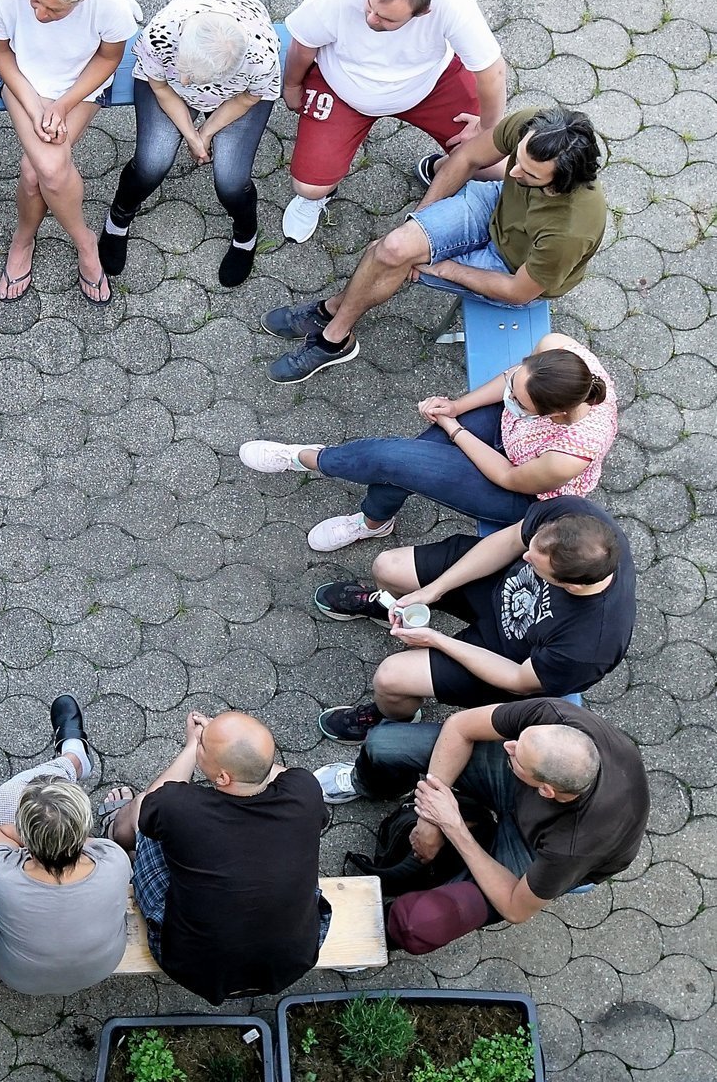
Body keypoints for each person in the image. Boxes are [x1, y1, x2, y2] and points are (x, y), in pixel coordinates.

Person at [260, 105, 605, 383]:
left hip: (510, 268)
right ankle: (335, 324)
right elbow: (467, 158)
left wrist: (449, 268)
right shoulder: (535, 128)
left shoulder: (569, 230)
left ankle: (334, 331)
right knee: (393, 249)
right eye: (518, 160)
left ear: (562, 183)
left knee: (385, 257)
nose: (512, 173)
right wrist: (421, 224)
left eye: (529, 175)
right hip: (493, 209)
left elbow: (518, 291)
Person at [316, 699, 648, 954]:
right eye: (519, 740)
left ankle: (368, 935)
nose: (509, 745)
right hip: (515, 786)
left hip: (536, 846)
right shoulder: (554, 721)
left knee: (422, 920)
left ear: (546, 790)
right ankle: (374, 785)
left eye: (518, 754)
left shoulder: (574, 844)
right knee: (383, 744)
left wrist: (453, 826)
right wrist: (430, 821)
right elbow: (461, 727)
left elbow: (517, 909)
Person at [240, 332, 618, 550]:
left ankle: (304, 458)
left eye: (519, 400)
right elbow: (514, 378)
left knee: (394, 460)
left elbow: (506, 476)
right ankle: (373, 522)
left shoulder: (568, 456)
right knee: (404, 463)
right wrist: (457, 406)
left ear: (550, 415)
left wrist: (455, 428)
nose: (510, 395)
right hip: (515, 435)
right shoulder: (559, 350)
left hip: (522, 491)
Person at [312, 496, 635, 742]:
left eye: (535, 565)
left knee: (391, 678)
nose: (524, 558)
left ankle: (391, 717)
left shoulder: (590, 645)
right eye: (532, 549)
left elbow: (518, 681)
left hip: (507, 655)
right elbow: (509, 542)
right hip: (496, 585)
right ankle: (392, 609)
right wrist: (433, 591)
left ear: (572, 585)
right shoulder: (576, 517)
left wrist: (438, 639)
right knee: (388, 567)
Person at [278, 0, 504, 244]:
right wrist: (292, 86)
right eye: (369, 6)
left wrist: (488, 127)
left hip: (428, 83)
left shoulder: (453, 1)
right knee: (308, 186)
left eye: (387, 19)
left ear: (423, 11)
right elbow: (304, 43)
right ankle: (316, 199)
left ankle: (439, 169)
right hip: (342, 83)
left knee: (495, 164)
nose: (371, 19)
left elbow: (492, 71)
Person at [101, 711, 327, 1005]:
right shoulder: (306, 791)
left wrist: (189, 748)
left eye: (203, 747)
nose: (199, 746)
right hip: (292, 959)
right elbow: (266, 769)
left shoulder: (183, 809)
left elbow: (153, 803)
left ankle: (114, 835)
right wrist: (235, 753)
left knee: (142, 806)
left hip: (192, 965)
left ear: (222, 777)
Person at [0, 0, 141, 303]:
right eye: (35, 0)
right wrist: (35, 107)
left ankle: (25, 239)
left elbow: (109, 59)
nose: (40, 14)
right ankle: (85, 243)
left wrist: (62, 105)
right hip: (22, 81)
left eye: (55, 9)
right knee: (44, 166)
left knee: (36, 171)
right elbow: (1, 52)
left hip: (80, 87)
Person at [102, 0, 282, 287]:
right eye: (183, 69)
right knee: (150, 163)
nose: (186, 80)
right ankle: (118, 219)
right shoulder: (162, 33)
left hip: (233, 95)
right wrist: (192, 135)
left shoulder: (261, 57)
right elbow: (161, 85)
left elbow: (248, 98)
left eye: (194, 78)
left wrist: (208, 130)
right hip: (167, 88)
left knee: (232, 182)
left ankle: (245, 235)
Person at [0, 695, 130, 995]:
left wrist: (8, 833)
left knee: (8, 795)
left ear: (27, 839)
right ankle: (72, 759)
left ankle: (72, 761)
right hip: (102, 965)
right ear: (83, 831)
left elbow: (1, 831)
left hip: (17, 974)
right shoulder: (115, 860)